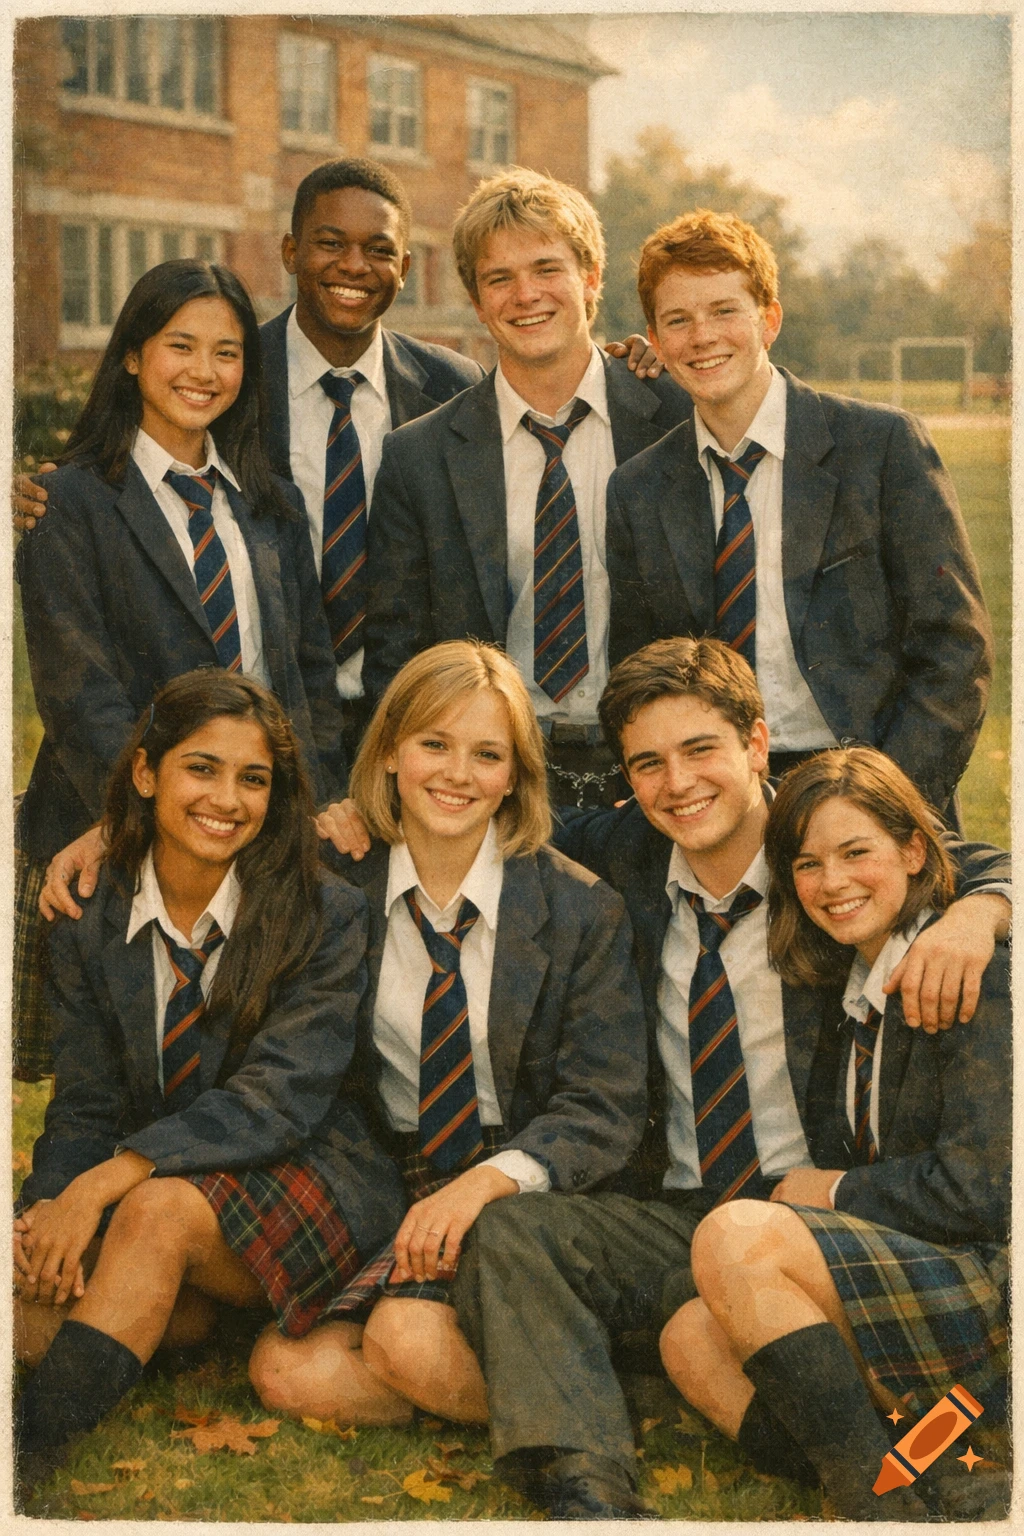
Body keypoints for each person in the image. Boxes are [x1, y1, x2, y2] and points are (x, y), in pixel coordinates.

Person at [308, 637, 1009, 1519]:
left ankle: (898, 1469)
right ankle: (589, 1490)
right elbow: (472, 802)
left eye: (702, 750)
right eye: (648, 763)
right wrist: (353, 816)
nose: (678, 784)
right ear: (627, 781)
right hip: (682, 1210)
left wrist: (985, 907)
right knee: (517, 1232)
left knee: (702, 1306)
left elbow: (938, 857)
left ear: (759, 745)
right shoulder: (626, 857)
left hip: (814, 1213)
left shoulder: (821, 861)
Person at [13, 671, 405, 1491]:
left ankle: (26, 1456)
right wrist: (54, 1206)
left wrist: (106, 1186)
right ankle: (181, 1320)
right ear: (148, 773)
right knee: (22, 1285)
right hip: (167, 1185)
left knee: (153, 1216)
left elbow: (279, 1098)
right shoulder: (90, 914)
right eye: (202, 767)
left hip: (307, 1174)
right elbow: (86, 1102)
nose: (226, 798)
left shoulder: (324, 914)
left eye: (253, 778)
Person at [243, 640, 648, 1433]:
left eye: (487, 754)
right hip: (396, 1176)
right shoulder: (339, 886)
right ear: (391, 749)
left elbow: (603, 1106)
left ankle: (575, 1402)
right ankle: (526, 1381)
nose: (457, 775)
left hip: (521, 1187)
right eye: (434, 744)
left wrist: (489, 1180)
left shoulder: (578, 911)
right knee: (286, 1369)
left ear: (517, 775)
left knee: (400, 1339)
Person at [14, 258, 349, 1082]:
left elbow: (304, 669)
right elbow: (79, 693)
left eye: (227, 352)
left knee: (254, 1059)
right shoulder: (73, 504)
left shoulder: (270, 504)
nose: (204, 372)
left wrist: (325, 798)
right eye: (180, 345)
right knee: (130, 1080)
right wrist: (139, 816)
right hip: (131, 821)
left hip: (255, 816)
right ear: (132, 354)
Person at [660, 748, 1009, 1520]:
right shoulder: (844, 981)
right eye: (808, 864)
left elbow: (990, 1191)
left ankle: (872, 1499)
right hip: (929, 1274)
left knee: (736, 1237)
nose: (833, 883)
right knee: (689, 1335)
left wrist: (838, 1190)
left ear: (915, 849)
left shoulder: (970, 969)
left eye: (857, 853)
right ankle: (940, 1470)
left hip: (996, 1291)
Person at [605, 210, 993, 820]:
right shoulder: (638, 488)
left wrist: (884, 802)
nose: (702, 335)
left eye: (724, 310)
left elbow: (954, 651)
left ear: (769, 320)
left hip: (870, 781)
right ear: (654, 340)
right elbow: (639, 671)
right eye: (677, 319)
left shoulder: (880, 446)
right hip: (718, 798)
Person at [361, 167, 694, 809]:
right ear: (478, 301)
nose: (525, 295)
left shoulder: (675, 418)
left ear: (590, 278)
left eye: (546, 269)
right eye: (499, 279)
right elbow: (397, 656)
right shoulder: (419, 457)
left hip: (654, 778)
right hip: (494, 782)